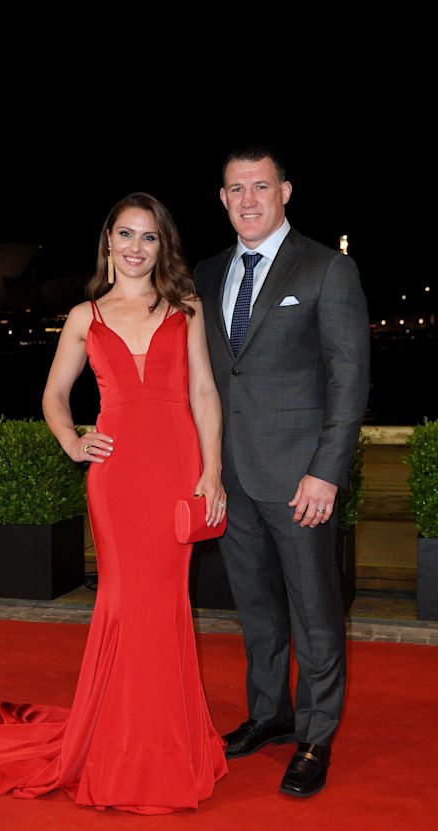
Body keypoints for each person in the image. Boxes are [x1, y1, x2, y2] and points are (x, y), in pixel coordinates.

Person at [0, 192, 228, 814]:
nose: (137, 247)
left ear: (162, 245)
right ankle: (117, 743)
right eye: (126, 235)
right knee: (122, 605)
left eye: (148, 237)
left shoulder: (185, 306)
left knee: (167, 606)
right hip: (115, 481)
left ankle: (169, 745)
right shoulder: (85, 316)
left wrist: (213, 472)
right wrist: (72, 442)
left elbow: (203, 392)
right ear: (108, 243)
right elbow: (54, 395)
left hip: (176, 470)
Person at [194, 144, 370, 798]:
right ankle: (270, 713)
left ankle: (316, 736)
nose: (248, 200)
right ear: (222, 198)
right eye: (236, 189)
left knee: (316, 612)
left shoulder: (327, 269)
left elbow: (349, 379)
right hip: (232, 479)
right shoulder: (208, 274)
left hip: (300, 483)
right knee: (258, 609)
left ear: (285, 191)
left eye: (260, 187)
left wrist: (326, 471)